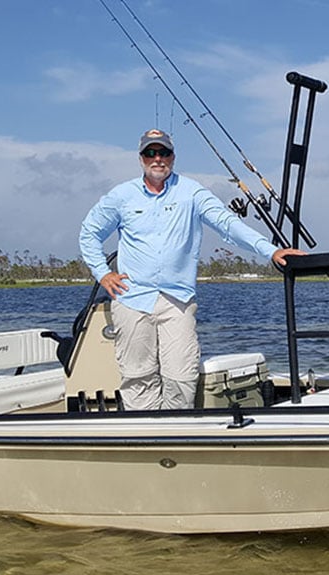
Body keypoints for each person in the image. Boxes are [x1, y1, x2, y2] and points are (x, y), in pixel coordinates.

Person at [79, 129, 304, 410]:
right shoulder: (121, 195)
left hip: (178, 300)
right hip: (132, 297)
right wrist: (103, 273)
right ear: (141, 158)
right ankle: (145, 437)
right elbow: (89, 233)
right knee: (137, 376)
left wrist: (271, 250)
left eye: (164, 153)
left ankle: (175, 434)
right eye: (151, 153)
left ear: (173, 157)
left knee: (182, 377)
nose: (157, 158)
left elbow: (228, 225)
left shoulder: (192, 192)